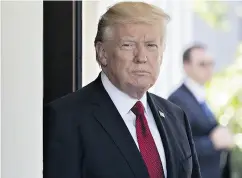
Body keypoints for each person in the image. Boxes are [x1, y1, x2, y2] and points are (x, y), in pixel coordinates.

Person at [44, 2, 201, 178]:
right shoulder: (65, 118)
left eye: (151, 45)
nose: (141, 57)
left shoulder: (176, 116)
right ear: (102, 53)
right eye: (128, 45)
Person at [168, 44, 234, 178]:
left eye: (211, 63)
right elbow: (177, 147)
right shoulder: (177, 100)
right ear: (187, 67)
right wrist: (212, 143)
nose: (209, 68)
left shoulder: (202, 95)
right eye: (202, 64)